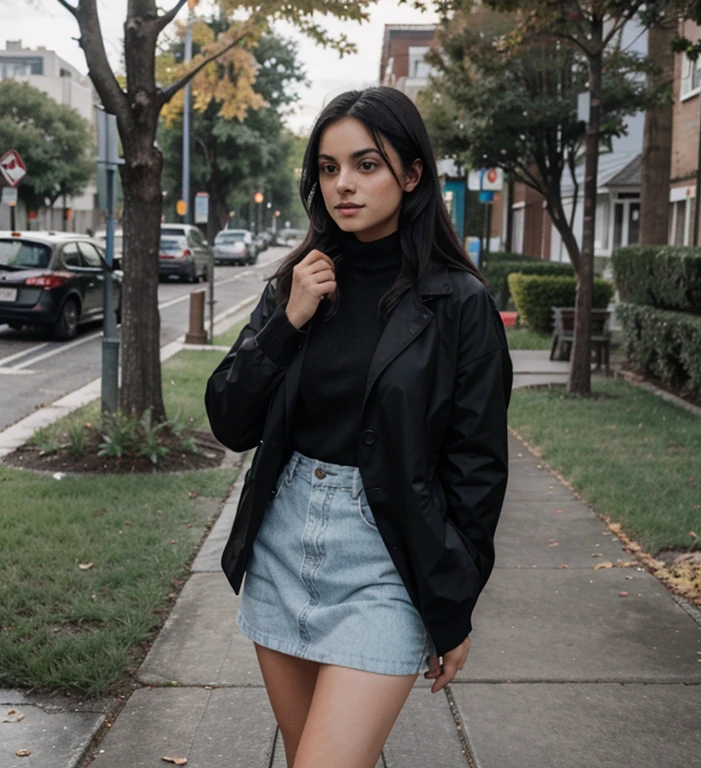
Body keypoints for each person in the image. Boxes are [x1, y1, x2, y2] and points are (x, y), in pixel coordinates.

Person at [205, 86, 513, 768]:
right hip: (285, 540)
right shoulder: (298, 282)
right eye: (327, 167)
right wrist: (288, 322)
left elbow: (477, 468)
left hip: (385, 559)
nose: (343, 183)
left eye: (366, 164)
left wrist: (452, 605)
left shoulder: (459, 304)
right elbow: (229, 418)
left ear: (411, 174)